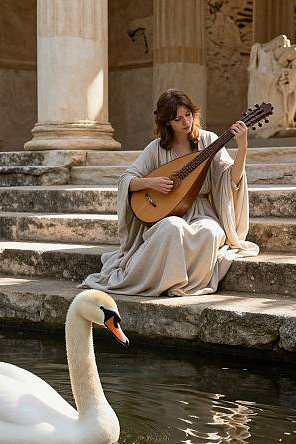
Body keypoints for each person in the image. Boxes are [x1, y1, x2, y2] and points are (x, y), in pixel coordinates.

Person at [81, 89, 259, 297]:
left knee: (210, 232)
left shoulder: (208, 140)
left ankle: (186, 286)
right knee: (172, 227)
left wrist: (243, 146)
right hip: (166, 213)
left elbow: (232, 180)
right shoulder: (157, 148)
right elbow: (126, 181)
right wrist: (152, 183)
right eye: (177, 118)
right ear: (167, 123)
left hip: (202, 212)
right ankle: (164, 281)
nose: (185, 122)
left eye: (188, 115)